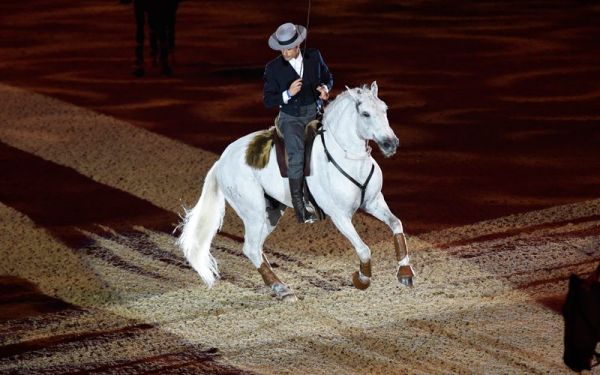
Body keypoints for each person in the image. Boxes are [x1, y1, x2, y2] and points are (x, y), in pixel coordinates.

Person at [263, 22, 333, 224]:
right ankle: (300, 207)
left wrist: (325, 89)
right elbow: (268, 99)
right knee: (297, 154)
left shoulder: (314, 57)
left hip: (315, 112)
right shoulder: (273, 68)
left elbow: (328, 77)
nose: (284, 52)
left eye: (288, 48)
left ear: (298, 45)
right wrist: (287, 94)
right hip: (290, 119)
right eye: (281, 48)